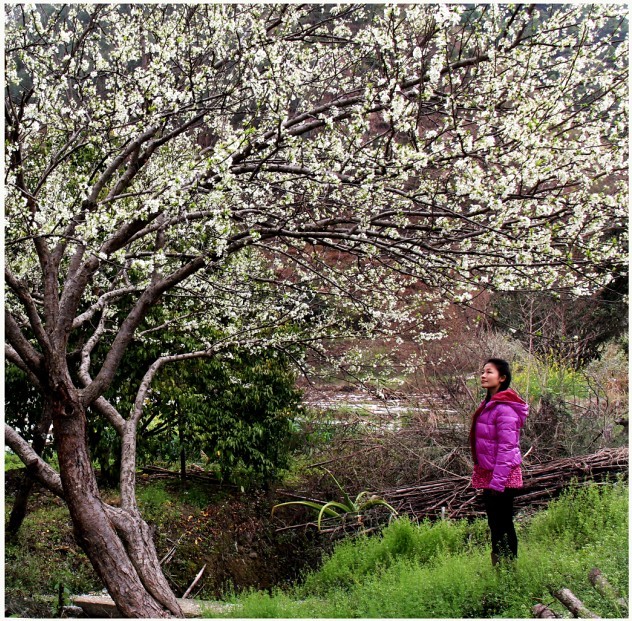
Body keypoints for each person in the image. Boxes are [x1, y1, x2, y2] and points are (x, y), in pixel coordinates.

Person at [469, 358, 528, 565]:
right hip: (490, 473)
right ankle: (498, 569)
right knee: (494, 523)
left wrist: (498, 481)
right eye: (483, 372)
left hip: (502, 475)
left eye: (489, 372)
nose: (483, 376)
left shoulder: (505, 409)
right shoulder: (488, 405)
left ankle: (509, 570)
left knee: (503, 523)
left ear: (502, 378)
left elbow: (507, 448)